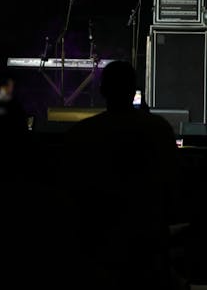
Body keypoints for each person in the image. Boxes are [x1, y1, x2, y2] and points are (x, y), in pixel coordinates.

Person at [60, 59, 183, 290]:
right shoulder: (158, 129)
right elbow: (173, 188)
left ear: (102, 90)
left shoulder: (82, 133)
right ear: (134, 91)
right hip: (147, 248)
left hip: (97, 247)